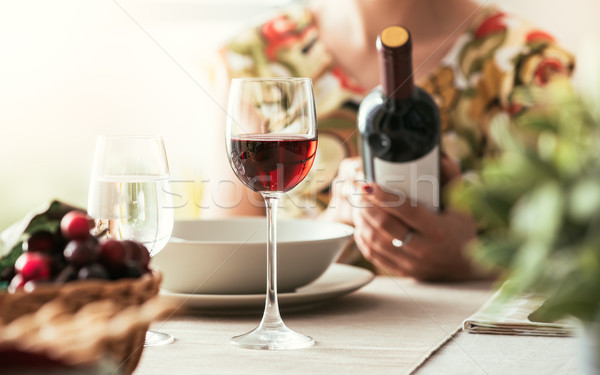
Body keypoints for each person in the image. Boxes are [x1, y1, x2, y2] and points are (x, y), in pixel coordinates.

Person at [203, 0, 575, 281]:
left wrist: (474, 263)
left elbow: (575, 263)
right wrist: (328, 234)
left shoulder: (526, 62)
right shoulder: (253, 60)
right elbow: (223, 264)